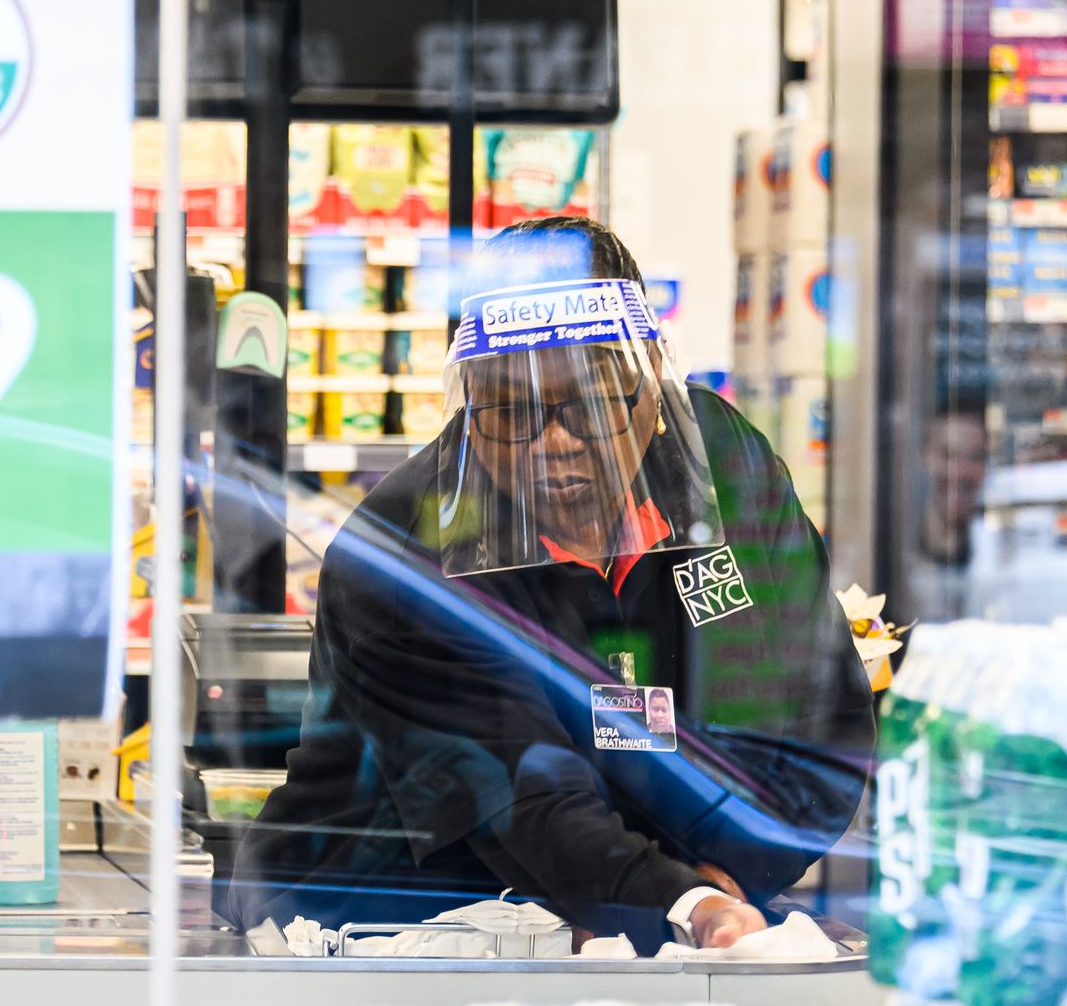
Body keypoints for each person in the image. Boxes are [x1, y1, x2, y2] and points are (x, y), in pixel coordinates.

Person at [232, 217, 874, 953]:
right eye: (513, 411)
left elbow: (819, 720)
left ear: (650, 394)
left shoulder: (728, 470)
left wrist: (724, 877)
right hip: (406, 924)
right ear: (471, 407)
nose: (557, 445)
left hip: (668, 913)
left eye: (594, 401)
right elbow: (516, 793)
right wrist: (684, 900)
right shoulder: (409, 545)